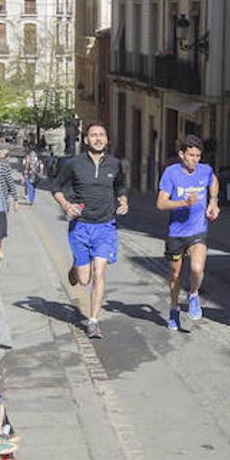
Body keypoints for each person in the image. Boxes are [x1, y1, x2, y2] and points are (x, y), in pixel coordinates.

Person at [53, 123, 129, 339]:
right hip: (81, 226)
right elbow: (55, 187)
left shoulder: (115, 164)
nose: (98, 139)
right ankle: (76, 268)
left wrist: (123, 200)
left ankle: (93, 321)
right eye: (93, 135)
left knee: (99, 272)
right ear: (85, 139)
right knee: (84, 279)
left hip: (106, 226)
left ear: (107, 139)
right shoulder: (74, 163)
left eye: (101, 135)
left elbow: (120, 187)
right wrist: (67, 206)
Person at [155, 135, 219, 330]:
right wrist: (184, 202)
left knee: (197, 268)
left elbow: (213, 181)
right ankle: (174, 309)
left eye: (198, 156)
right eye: (191, 155)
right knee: (175, 275)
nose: (195, 160)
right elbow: (160, 203)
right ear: (182, 154)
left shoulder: (205, 170)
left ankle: (193, 294)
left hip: (198, 228)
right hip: (176, 231)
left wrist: (213, 201)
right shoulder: (171, 173)